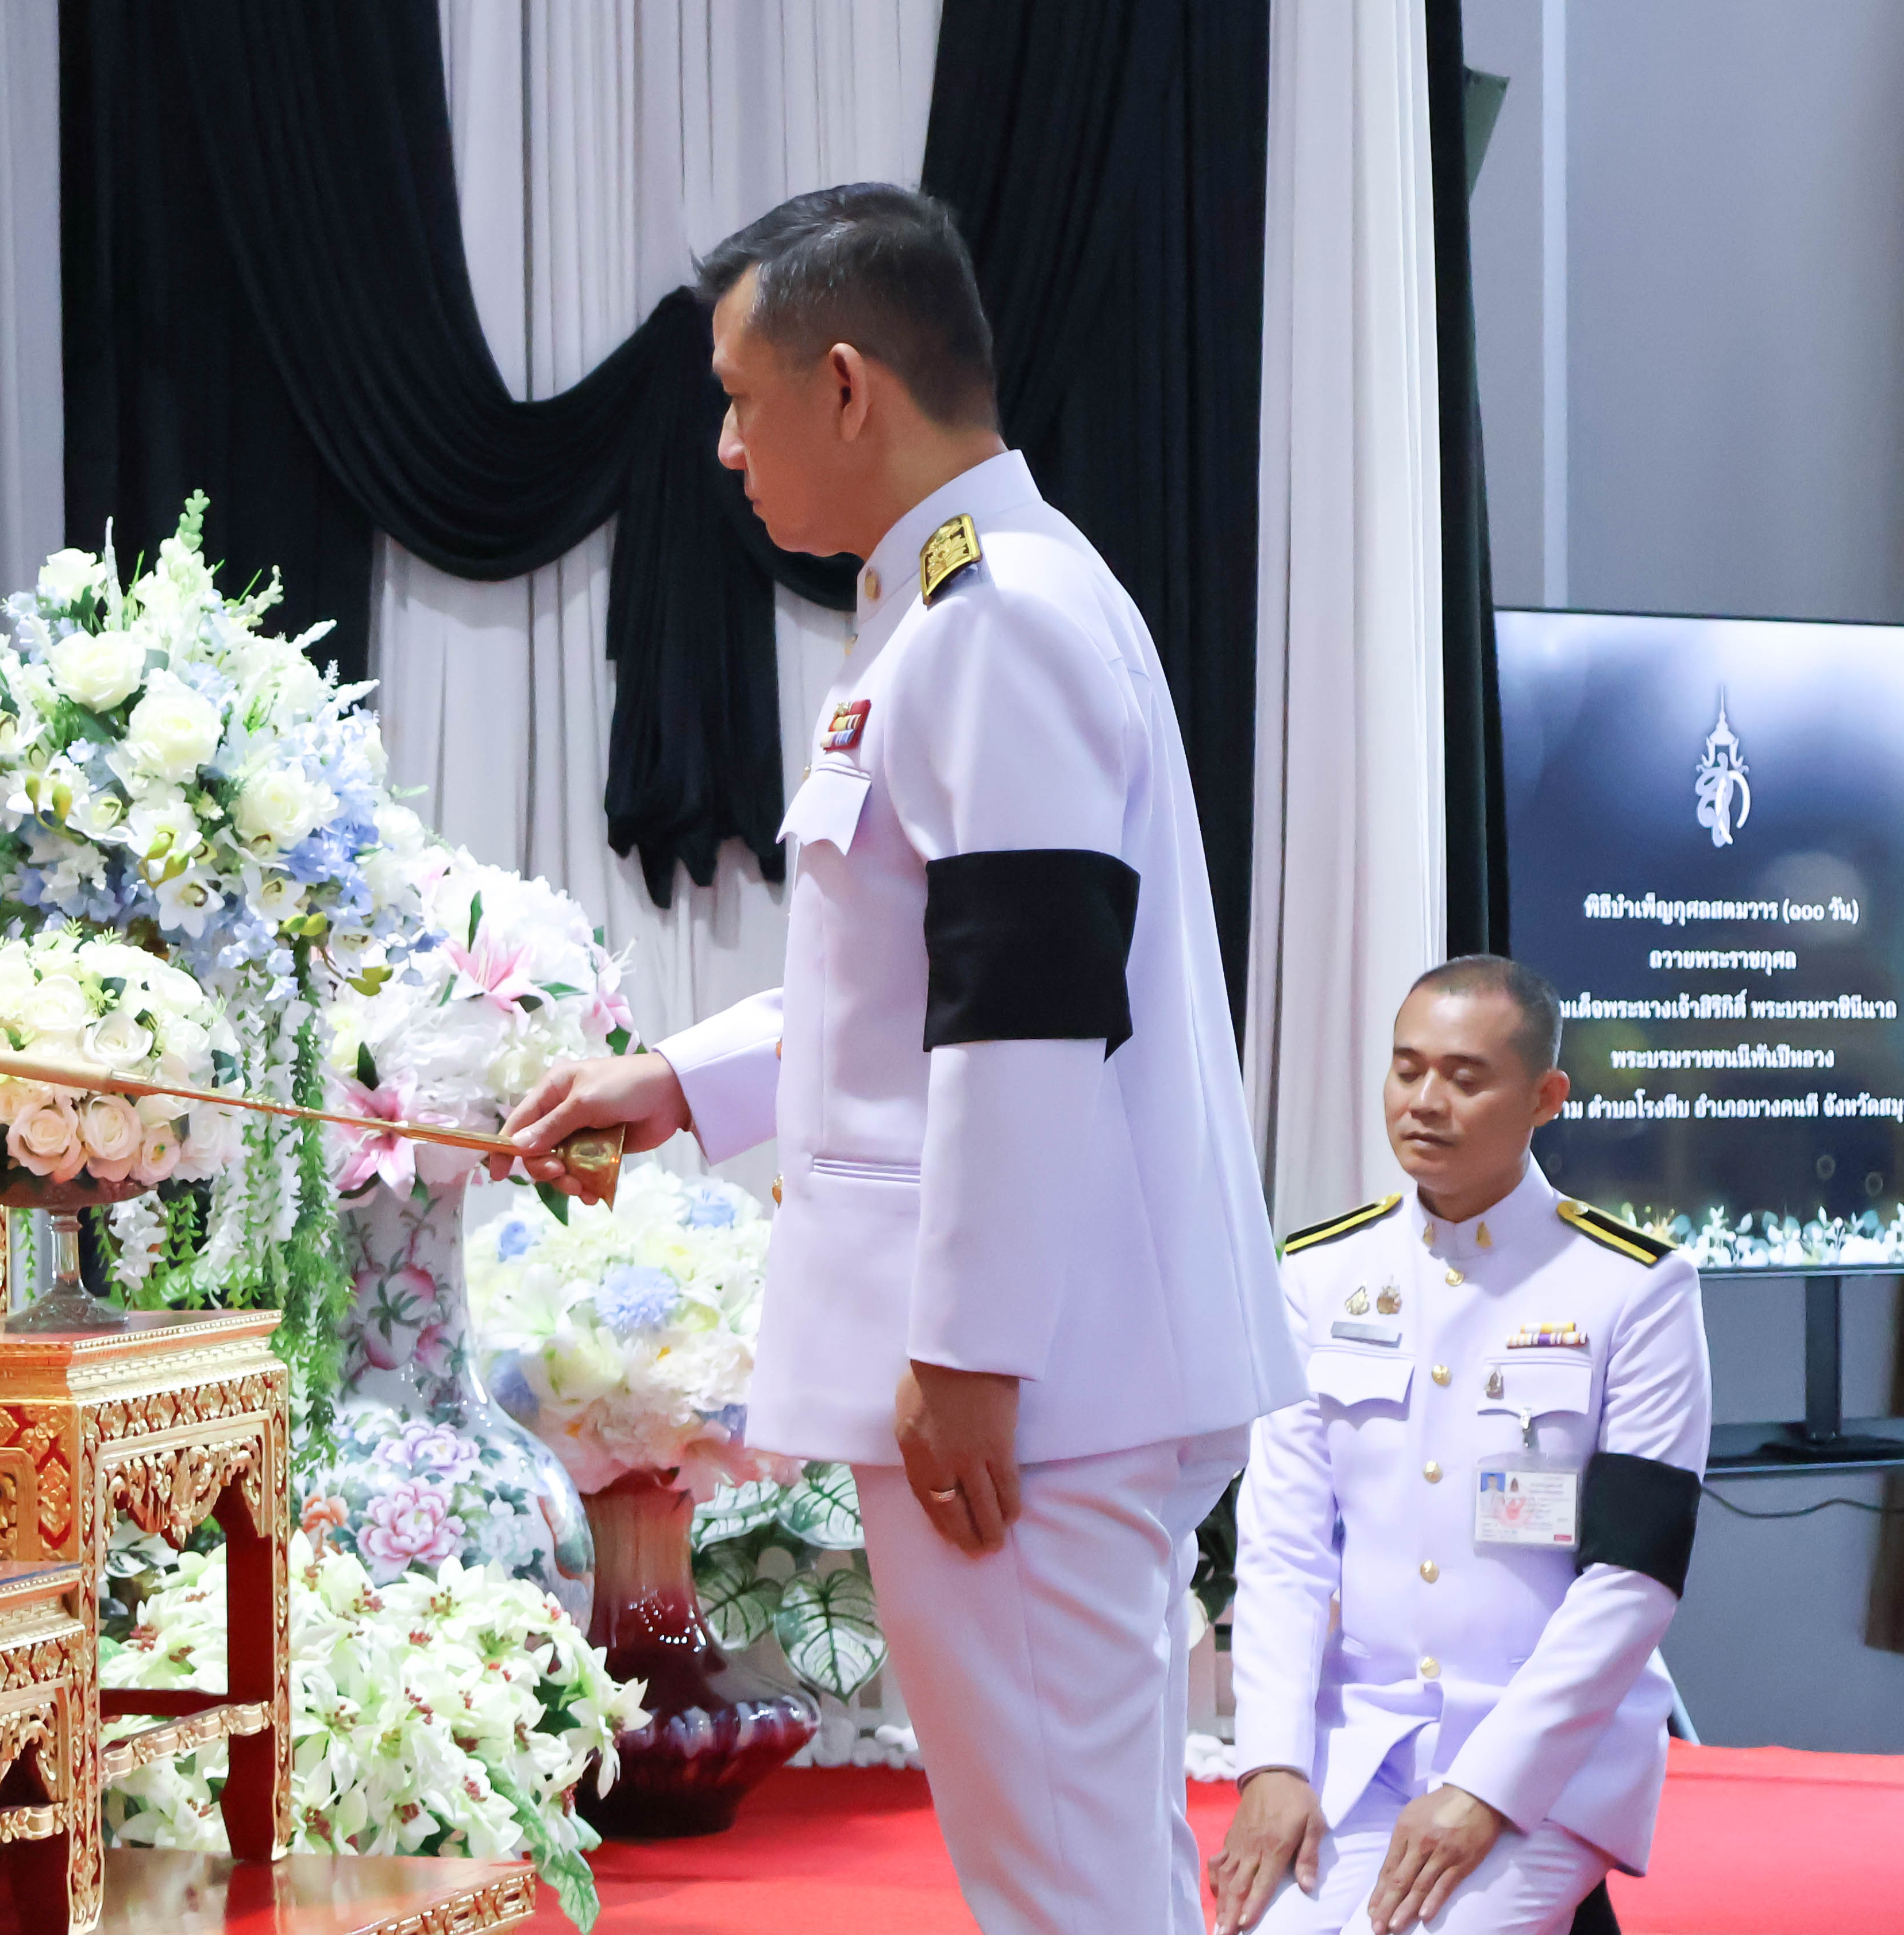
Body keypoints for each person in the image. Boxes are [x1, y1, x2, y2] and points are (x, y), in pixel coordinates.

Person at [502, 183, 1304, 1934]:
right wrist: (681, 1086)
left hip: (1033, 1386)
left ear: (849, 385)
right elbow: (933, 985)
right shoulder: (954, 608)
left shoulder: (992, 616)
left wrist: (969, 1348)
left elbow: (1027, 1010)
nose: (725, 449)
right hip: (1055, 1372)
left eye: (740, 399)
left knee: (1065, 1894)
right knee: (1090, 1876)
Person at [1211, 956, 1711, 1934]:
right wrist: (1272, 1764)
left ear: (1546, 1098)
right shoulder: (1320, 1274)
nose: (1425, 1102)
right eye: (1407, 1070)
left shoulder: (1634, 1288)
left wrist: (1489, 1788)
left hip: (1547, 1768)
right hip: (1362, 1752)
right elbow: (1284, 1550)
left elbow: (1632, 1580)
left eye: (1465, 1078)